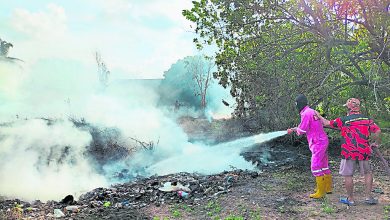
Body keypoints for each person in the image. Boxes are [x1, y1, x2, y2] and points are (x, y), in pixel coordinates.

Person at [316, 98, 381, 205]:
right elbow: (378, 131)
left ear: (349, 108)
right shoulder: (367, 119)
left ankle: (350, 199)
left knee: (348, 175)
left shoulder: (344, 120)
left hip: (348, 152)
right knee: (368, 173)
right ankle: (368, 197)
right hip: (363, 151)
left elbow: (327, 123)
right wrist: (376, 143)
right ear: (359, 107)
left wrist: (318, 116)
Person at [287, 94, 332, 199]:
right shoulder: (312, 111)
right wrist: (295, 129)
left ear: (299, 103)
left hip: (317, 142)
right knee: (324, 164)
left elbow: (302, 131)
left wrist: (295, 130)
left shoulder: (305, 114)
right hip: (323, 140)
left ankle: (321, 193)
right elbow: (309, 126)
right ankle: (328, 188)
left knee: (315, 166)